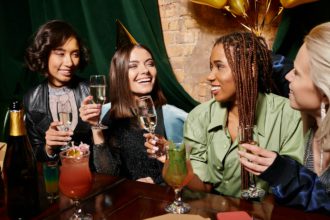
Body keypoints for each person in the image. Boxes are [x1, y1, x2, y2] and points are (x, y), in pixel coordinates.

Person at [146, 31, 305, 198]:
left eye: (220, 66)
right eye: (211, 67)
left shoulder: (289, 115)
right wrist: (173, 161)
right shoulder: (199, 117)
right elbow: (202, 187)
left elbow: (291, 186)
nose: (210, 76)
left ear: (248, 70)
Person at [238, 22, 330, 212]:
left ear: (324, 90)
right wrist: (246, 53)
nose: (289, 77)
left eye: (297, 73)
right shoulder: (314, 127)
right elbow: (280, 70)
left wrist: (285, 175)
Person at [79, 43, 187, 184]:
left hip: (161, 198)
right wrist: (95, 127)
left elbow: (187, 172)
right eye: (133, 66)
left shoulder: (172, 117)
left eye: (150, 64)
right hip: (123, 198)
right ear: (119, 74)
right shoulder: (105, 114)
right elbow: (107, 173)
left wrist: (157, 182)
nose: (145, 70)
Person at [23, 20, 92, 162]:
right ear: (44, 54)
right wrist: (48, 148)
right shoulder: (31, 99)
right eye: (60, 53)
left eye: (75, 54)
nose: (69, 62)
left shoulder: (91, 91)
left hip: (92, 175)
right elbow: (34, 156)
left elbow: (110, 150)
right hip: (55, 179)